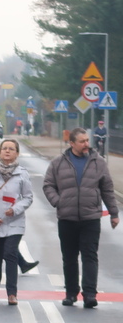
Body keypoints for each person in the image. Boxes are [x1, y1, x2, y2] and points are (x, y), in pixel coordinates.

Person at [42, 127, 119, 307]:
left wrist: (114, 213)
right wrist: (58, 201)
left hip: (90, 217)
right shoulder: (58, 163)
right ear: (72, 143)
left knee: (90, 256)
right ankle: (71, 293)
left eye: (87, 140)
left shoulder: (98, 162)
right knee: (69, 257)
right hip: (67, 218)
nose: (86, 144)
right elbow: (48, 185)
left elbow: (107, 188)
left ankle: (90, 294)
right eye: (82, 141)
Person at [0, 137, 34, 305]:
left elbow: (28, 197)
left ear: (17, 153)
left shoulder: (22, 173)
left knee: (10, 254)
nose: (7, 151)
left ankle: (12, 293)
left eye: (11, 148)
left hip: (14, 222)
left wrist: (15, 209)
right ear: (0, 152)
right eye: (4, 148)